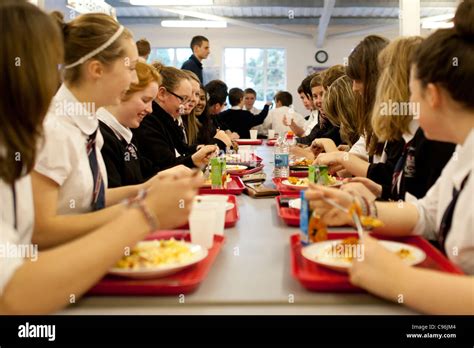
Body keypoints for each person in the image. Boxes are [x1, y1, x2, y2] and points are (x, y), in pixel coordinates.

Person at [0, 0, 201, 314]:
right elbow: (38, 237)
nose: (135, 77)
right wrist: (145, 212)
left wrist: (147, 189)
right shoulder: (54, 128)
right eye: (130, 67)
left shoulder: (86, 124)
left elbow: (83, 201)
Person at [305, 0, 474, 314]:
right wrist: (359, 209)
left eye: (411, 93)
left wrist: (399, 281)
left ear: (432, 96)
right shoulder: (464, 149)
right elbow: (426, 215)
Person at [99, 61, 191, 188]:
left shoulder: (127, 135)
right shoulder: (102, 138)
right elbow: (108, 199)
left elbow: (146, 173)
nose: (150, 110)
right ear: (122, 93)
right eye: (145, 100)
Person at [133, 63, 217, 175]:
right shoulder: (149, 122)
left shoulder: (168, 120)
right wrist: (193, 159)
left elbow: (181, 149)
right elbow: (165, 166)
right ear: (162, 94)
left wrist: (197, 149)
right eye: (182, 99)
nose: (185, 106)